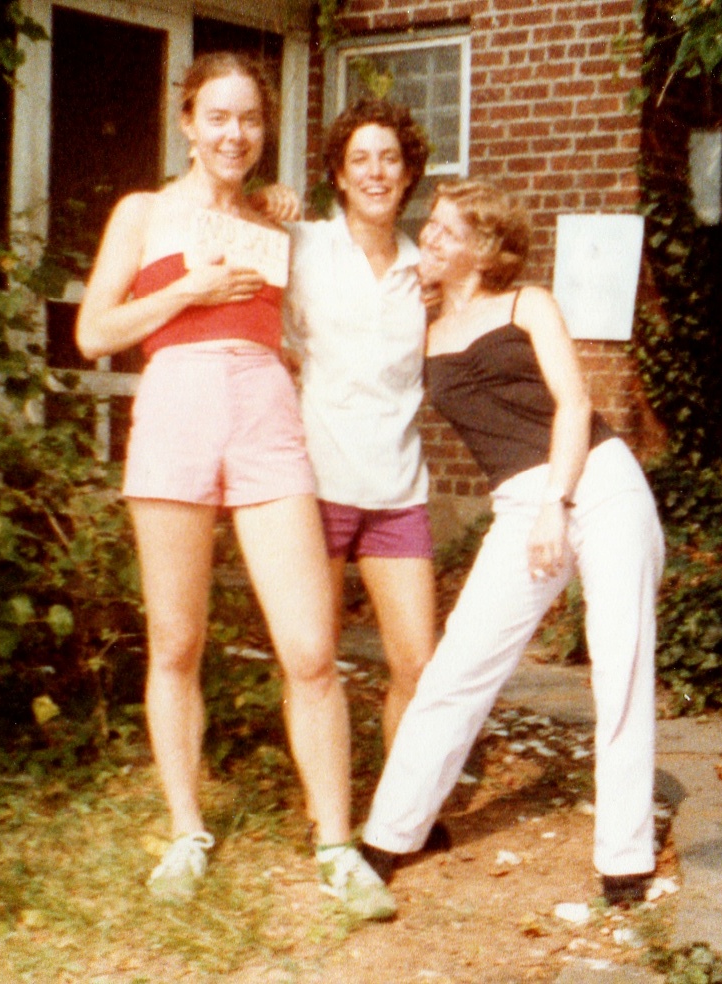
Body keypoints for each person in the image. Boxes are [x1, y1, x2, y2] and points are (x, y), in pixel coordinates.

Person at [74, 52, 395, 920]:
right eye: (217, 116)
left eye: (250, 119)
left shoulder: (272, 220)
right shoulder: (143, 212)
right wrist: (187, 289)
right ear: (186, 121)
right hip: (175, 409)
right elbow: (93, 332)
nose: (234, 133)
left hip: (264, 413)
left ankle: (337, 844)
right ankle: (186, 832)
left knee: (311, 648)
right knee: (175, 642)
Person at [358, 180, 665, 907]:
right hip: (518, 502)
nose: (428, 237)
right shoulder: (421, 325)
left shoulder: (529, 305)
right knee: (458, 664)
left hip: (598, 480)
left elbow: (575, 404)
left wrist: (558, 504)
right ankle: (389, 835)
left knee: (619, 661)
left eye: (446, 230)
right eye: (428, 225)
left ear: (485, 249)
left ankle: (624, 856)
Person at [283, 99, 438, 764]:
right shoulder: (304, 246)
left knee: (418, 667)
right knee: (311, 660)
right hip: (316, 487)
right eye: (360, 160)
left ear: (408, 175)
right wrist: (267, 199)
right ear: (339, 177)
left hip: (399, 493)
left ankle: (401, 818)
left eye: (390, 159)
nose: (376, 173)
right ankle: (325, 814)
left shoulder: (427, 271)